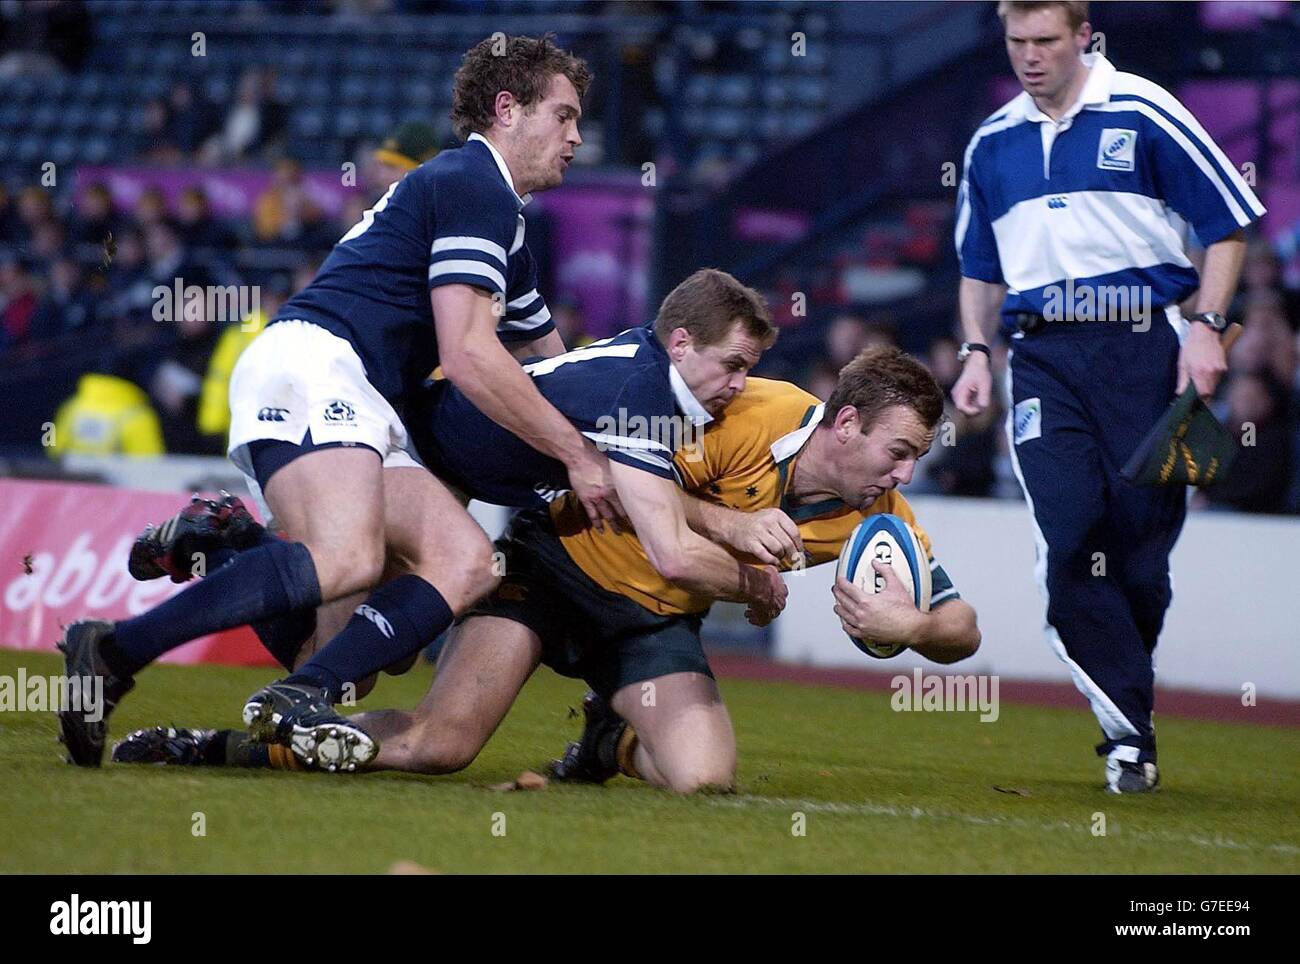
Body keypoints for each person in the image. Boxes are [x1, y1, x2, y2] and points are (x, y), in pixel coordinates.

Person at [57, 34, 618, 771]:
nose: (578, 136)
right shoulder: (475, 182)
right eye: (565, 115)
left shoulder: (501, 221)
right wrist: (576, 455)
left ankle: (253, 586)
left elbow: (556, 364)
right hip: (318, 366)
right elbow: (470, 355)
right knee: (347, 558)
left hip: (354, 395)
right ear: (507, 110)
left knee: (459, 567)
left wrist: (620, 432)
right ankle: (116, 649)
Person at [115, 348, 982, 791]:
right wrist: (737, 553)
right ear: (843, 422)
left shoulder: (880, 519)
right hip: (557, 564)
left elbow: (963, 627)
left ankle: (613, 733)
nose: (907, 474)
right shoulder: (746, 409)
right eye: (899, 451)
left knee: (706, 777)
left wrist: (913, 628)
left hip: (650, 620)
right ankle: (223, 746)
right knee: (440, 746)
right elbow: (626, 481)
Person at [111, 269, 785, 772]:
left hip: (436, 464)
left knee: (377, 654)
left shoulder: (638, 368)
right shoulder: (648, 393)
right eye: (732, 366)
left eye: (748, 371)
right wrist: (756, 583)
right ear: (682, 343)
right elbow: (668, 549)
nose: (738, 386)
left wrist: (726, 531)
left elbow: (644, 494)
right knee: (349, 661)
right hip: (416, 461)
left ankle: (227, 543)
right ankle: (235, 578)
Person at [950, 1, 1264, 793]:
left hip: (1146, 347)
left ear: (1083, 36)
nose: (1029, 57)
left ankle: (1128, 703)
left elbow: (1227, 225)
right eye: (1016, 42)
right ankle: (1129, 733)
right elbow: (980, 268)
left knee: (1139, 557)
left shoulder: (1146, 109)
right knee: (1067, 534)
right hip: (1043, 357)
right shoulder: (991, 144)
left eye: (1045, 41)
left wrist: (1207, 327)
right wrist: (978, 352)